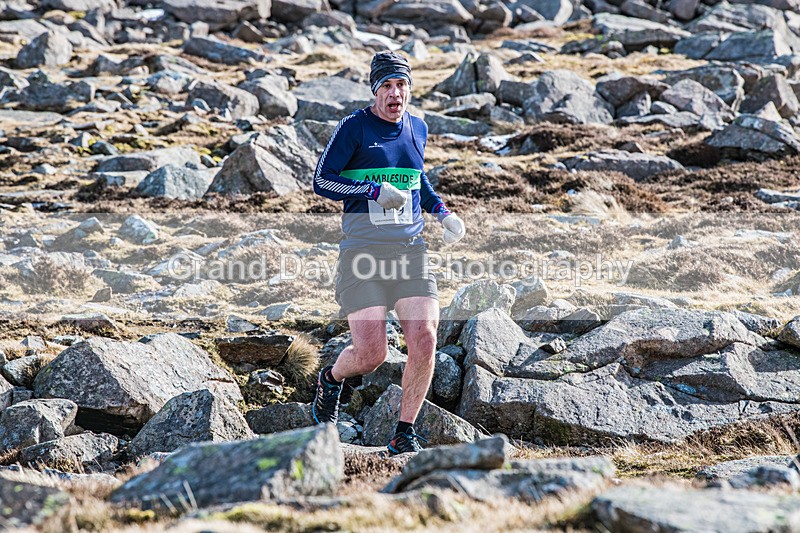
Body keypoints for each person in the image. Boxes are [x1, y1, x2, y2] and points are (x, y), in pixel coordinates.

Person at [311, 51, 466, 454]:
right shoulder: (354, 128)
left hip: (411, 251)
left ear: (409, 89)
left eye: (401, 86)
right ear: (374, 90)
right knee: (371, 354)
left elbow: (418, 179)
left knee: (425, 337)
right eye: (387, 86)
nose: (395, 94)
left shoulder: (418, 128)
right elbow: (321, 181)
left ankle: (404, 432)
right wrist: (371, 190)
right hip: (362, 254)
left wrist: (442, 213)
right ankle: (330, 379)